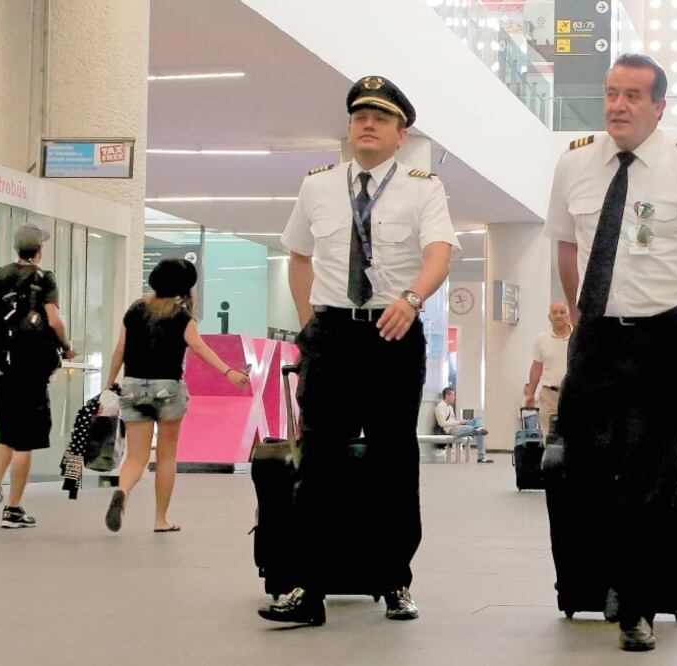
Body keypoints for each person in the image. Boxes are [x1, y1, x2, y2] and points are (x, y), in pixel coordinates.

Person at [543, 54, 677, 652]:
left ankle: (637, 605)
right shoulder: (574, 164)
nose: (618, 105)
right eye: (612, 93)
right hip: (596, 335)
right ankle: (608, 576)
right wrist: (578, 315)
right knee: (585, 464)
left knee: (650, 470)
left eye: (633, 96)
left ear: (659, 107)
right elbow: (565, 246)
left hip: (664, 336)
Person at [259, 75, 459, 626]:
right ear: (349, 127)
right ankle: (309, 586)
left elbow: (439, 254)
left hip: (392, 333)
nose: (368, 124)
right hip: (332, 336)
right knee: (318, 460)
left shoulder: (423, 188)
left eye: (381, 118)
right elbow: (300, 256)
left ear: (401, 134)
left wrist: (413, 299)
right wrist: (309, 324)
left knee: (393, 459)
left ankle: (394, 579)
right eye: (359, 116)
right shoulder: (318, 185)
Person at [103, 259, 249, 533]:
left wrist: (110, 384)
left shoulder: (135, 310)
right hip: (167, 390)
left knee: (136, 458)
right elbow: (199, 348)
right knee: (166, 457)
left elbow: (120, 349)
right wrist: (229, 372)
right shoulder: (182, 317)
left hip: (132, 387)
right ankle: (160, 520)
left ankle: (122, 491)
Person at [0, 224, 75, 528]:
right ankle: (13, 509)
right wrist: (66, 347)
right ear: (39, 250)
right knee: (24, 442)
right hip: (31, 369)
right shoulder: (43, 278)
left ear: (16, 248)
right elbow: (54, 320)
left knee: (6, 433)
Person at [524, 302, 572, 435]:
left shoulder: (578, 336)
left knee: (573, 436)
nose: (558, 315)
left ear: (568, 315)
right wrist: (530, 394)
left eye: (562, 312)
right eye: (554, 312)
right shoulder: (542, 339)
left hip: (574, 394)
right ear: (549, 317)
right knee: (550, 437)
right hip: (550, 395)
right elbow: (536, 367)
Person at [434, 387, 491, 462]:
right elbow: (442, 423)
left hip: (457, 426)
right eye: (453, 395)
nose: (454, 398)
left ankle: (478, 428)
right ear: (447, 396)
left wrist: (462, 421)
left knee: (479, 419)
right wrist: (459, 422)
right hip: (451, 430)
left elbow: (452, 421)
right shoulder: (440, 406)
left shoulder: (450, 407)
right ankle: (481, 456)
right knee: (480, 431)